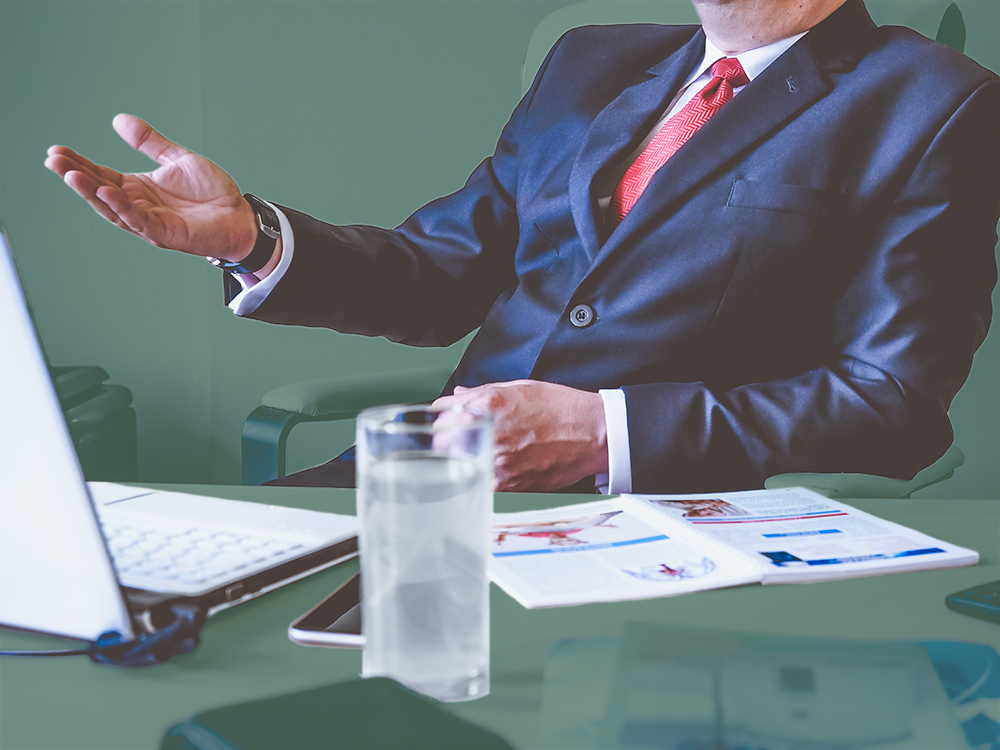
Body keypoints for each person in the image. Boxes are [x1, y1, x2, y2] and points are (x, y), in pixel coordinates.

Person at [45, 0, 1000, 494]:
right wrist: (256, 237)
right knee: (181, 602)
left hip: (666, 521)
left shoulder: (935, 101)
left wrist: (604, 435)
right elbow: (441, 276)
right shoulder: (590, 60)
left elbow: (895, 403)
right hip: (433, 484)